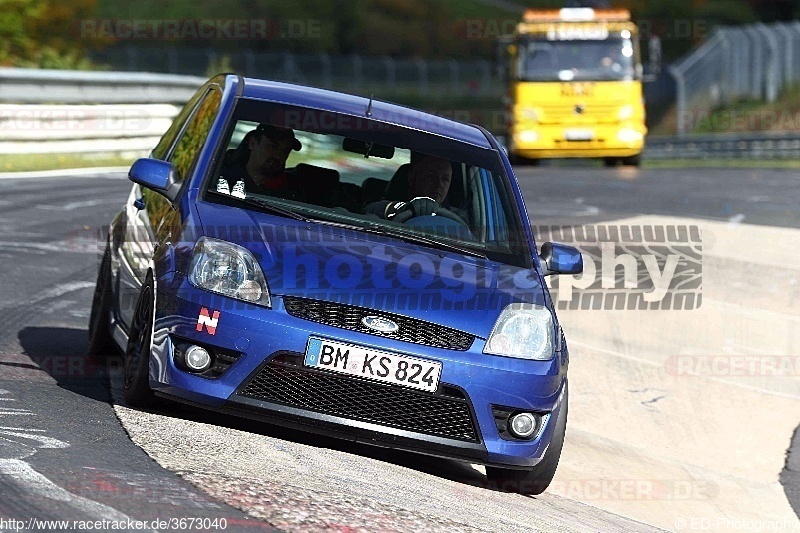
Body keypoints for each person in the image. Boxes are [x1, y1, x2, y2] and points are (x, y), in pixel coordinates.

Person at [217, 123, 303, 200]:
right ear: (253, 143)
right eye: (273, 146)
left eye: (285, 150)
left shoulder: (290, 193)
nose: (279, 155)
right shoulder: (217, 174)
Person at [365, 152, 460, 222]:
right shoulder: (381, 208)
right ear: (412, 177)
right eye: (430, 176)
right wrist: (401, 208)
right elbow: (366, 212)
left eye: (445, 179)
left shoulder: (460, 219)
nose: (438, 184)